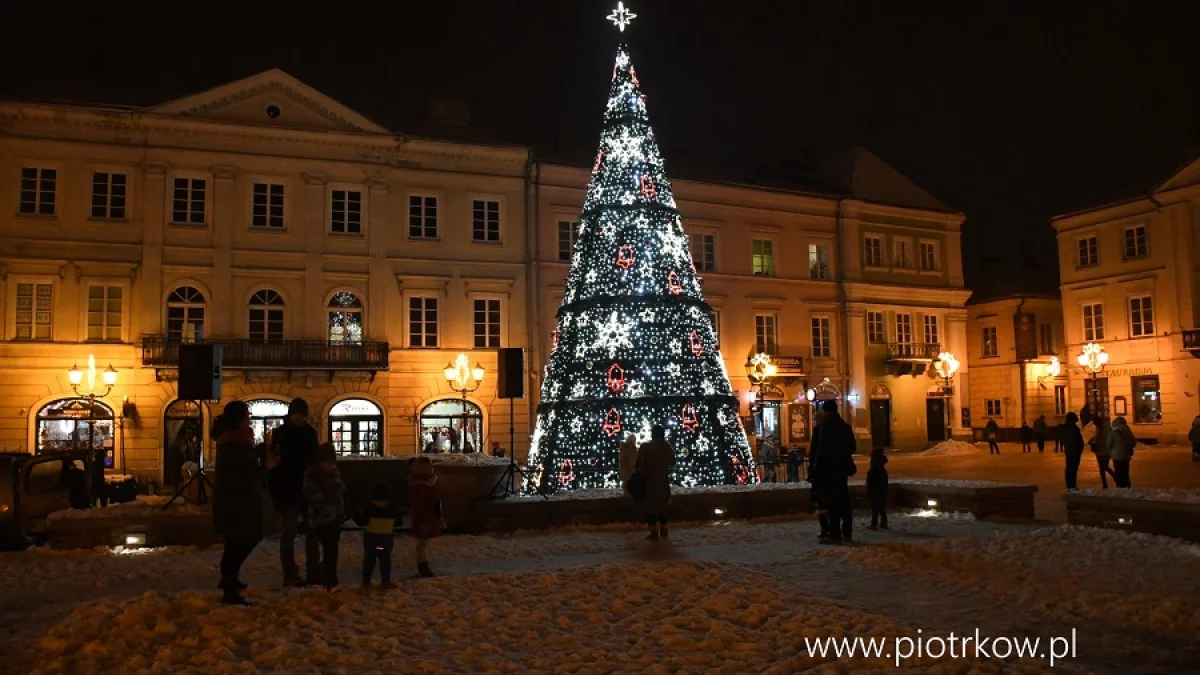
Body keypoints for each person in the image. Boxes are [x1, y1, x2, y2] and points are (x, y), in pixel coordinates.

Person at [212, 400, 275, 605]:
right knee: (244, 539)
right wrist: (265, 466)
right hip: (238, 501)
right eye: (247, 413)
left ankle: (230, 579)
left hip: (237, 500)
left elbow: (245, 461)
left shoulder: (234, 439)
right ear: (239, 418)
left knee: (236, 541)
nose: (249, 416)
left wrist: (259, 450)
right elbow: (243, 474)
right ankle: (229, 586)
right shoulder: (233, 443)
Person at [267, 397, 319, 587]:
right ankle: (290, 572)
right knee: (289, 533)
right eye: (297, 415)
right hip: (289, 490)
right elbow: (275, 463)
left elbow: (315, 460)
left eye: (302, 416)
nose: (299, 418)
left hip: (305, 489)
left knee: (311, 531)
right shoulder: (282, 434)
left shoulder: (308, 433)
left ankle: (312, 570)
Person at [811, 400, 856, 544]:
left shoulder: (826, 426)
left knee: (832, 502)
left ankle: (834, 533)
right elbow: (852, 447)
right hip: (841, 469)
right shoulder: (844, 426)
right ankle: (847, 532)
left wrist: (816, 468)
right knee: (843, 499)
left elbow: (822, 449)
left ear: (826, 411)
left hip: (828, 469)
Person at [303, 443, 345, 590]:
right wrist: (326, 506)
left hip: (333, 518)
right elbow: (312, 496)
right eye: (327, 462)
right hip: (319, 518)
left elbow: (339, 494)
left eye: (332, 462)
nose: (330, 465)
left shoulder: (334, 473)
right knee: (319, 547)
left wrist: (339, 511)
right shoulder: (312, 475)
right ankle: (316, 574)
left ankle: (330, 576)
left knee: (331, 548)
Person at [354, 482, 401, 590]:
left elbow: (362, 521)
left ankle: (366, 581)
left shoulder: (370, 506)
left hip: (371, 537)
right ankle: (385, 581)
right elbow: (399, 522)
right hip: (386, 537)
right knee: (385, 559)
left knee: (369, 558)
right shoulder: (392, 507)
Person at [636, 425, 676, 541]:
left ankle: (653, 533)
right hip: (663, 481)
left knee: (650, 508)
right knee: (662, 506)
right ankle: (664, 530)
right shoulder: (666, 447)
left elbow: (640, 466)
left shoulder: (645, 447)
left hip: (648, 482)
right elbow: (672, 461)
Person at [408, 456, 443, 577]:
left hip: (423, 515)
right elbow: (434, 500)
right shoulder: (428, 483)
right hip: (427, 516)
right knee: (422, 543)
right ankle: (423, 566)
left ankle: (423, 566)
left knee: (422, 543)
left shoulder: (417, 483)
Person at [1108, 416, 1136, 488]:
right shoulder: (1128, 431)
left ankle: (1120, 486)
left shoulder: (1114, 433)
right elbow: (1133, 443)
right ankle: (1127, 486)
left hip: (1116, 456)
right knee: (1125, 472)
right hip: (1126, 456)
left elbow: (1109, 444)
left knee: (1118, 472)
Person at [1060, 412, 1085, 491]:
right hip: (1075, 450)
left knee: (1069, 468)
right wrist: (1080, 449)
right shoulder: (1074, 428)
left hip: (1069, 450)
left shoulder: (1064, 428)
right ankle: (1072, 485)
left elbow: (1063, 438)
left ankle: (1069, 485)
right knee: (1073, 469)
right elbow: (1079, 440)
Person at [866, 447, 889, 530]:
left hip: (875, 491)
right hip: (881, 490)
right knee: (881, 507)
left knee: (875, 508)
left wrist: (869, 490)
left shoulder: (875, 468)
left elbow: (871, 481)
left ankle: (874, 524)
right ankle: (883, 523)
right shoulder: (881, 468)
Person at [1090, 417, 1114, 489]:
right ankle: (1104, 484)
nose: (1096, 425)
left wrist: (1097, 439)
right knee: (1102, 468)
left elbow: (1108, 439)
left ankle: (1116, 477)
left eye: (1096, 424)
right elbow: (1097, 437)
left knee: (1105, 467)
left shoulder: (1107, 428)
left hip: (1106, 451)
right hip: (1099, 451)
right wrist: (1093, 439)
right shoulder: (1099, 428)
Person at [618, 434, 639, 498]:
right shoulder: (628, 449)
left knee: (627, 485)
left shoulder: (624, 449)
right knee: (628, 485)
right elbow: (632, 461)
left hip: (627, 470)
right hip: (629, 470)